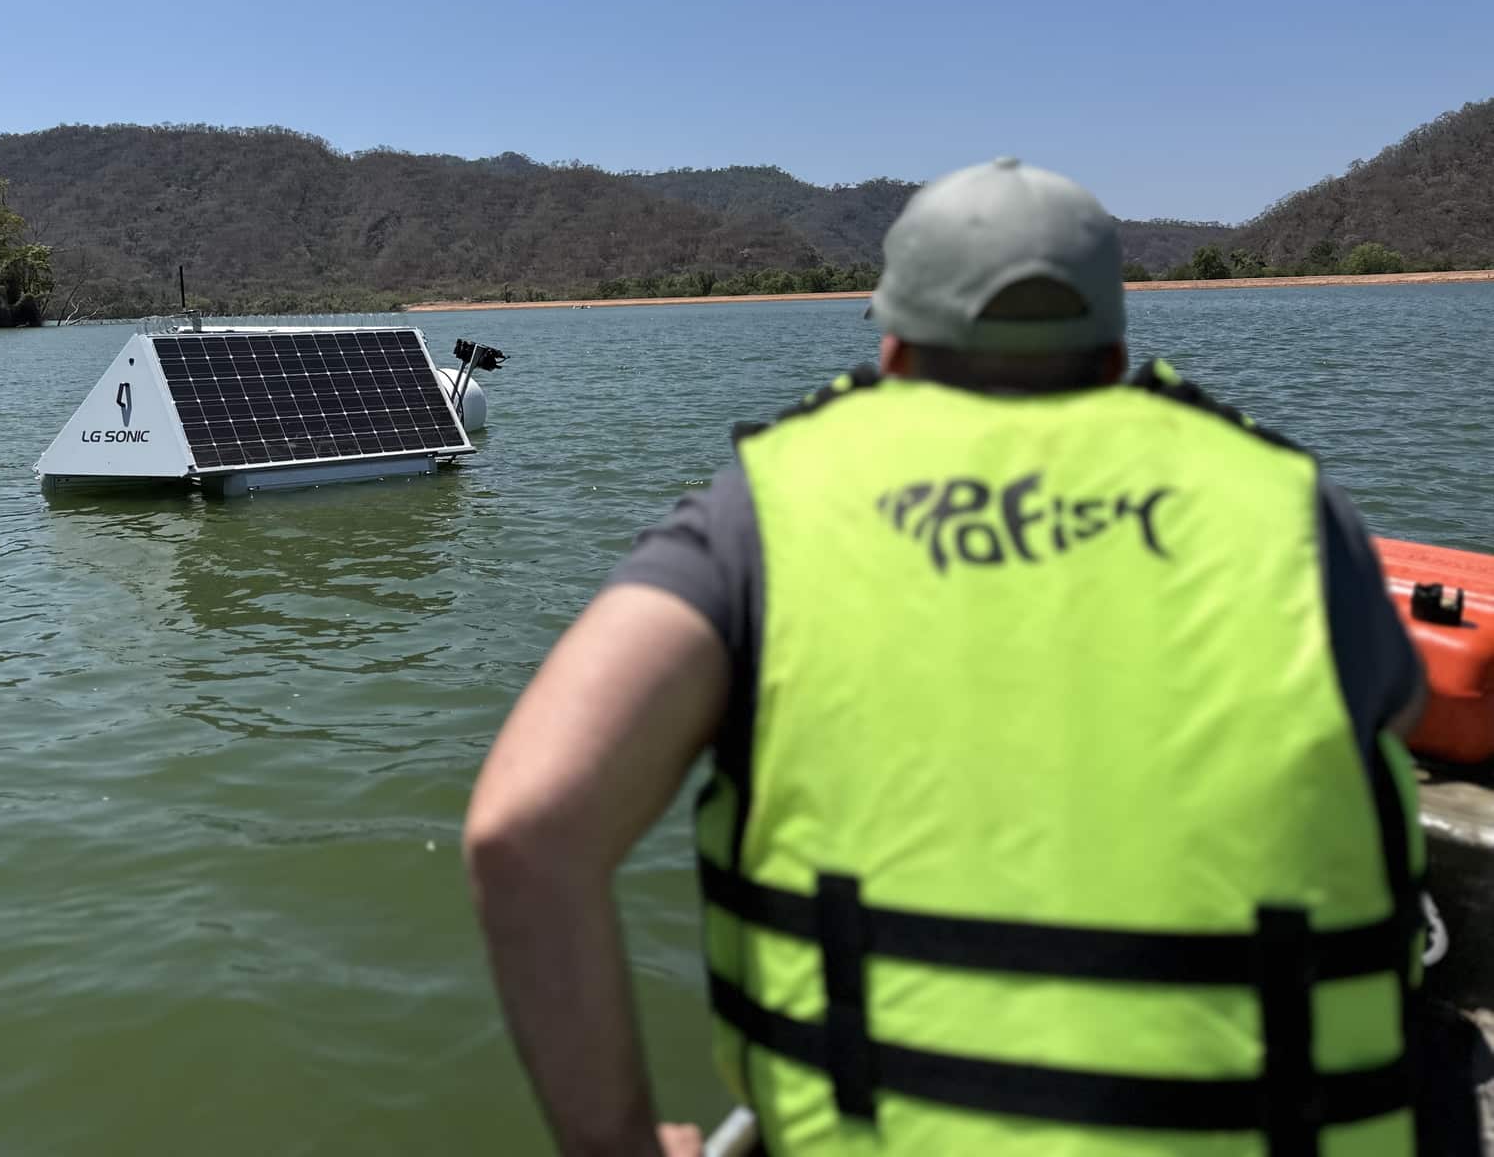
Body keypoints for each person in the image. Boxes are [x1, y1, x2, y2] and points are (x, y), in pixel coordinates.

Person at [463, 157, 1428, 1157]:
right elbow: (1393, 721)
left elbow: (523, 830)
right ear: (1111, 351)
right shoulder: (1285, 503)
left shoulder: (769, 510)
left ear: (894, 346)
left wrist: (616, 1142)